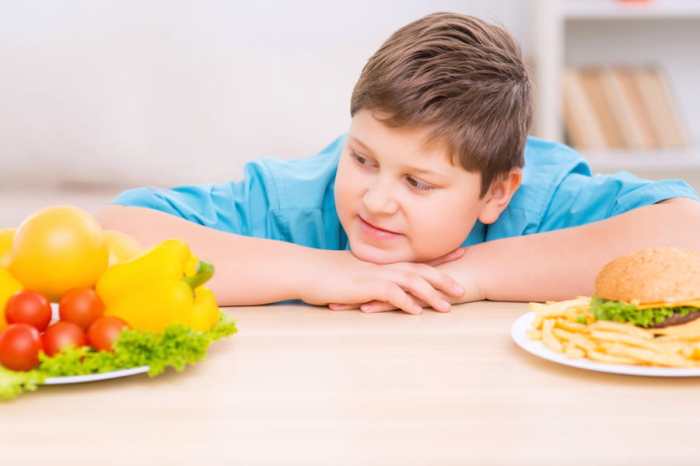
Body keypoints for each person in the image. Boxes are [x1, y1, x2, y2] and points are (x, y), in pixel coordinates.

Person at [96, 12, 700, 314]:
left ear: (496, 193)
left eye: (419, 181)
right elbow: (114, 234)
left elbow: (688, 234)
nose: (376, 199)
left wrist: (474, 275)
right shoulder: (300, 198)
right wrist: (319, 272)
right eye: (363, 158)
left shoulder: (538, 196)